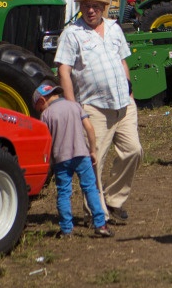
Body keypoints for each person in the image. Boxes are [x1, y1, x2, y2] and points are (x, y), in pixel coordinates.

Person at [55, 0, 142, 225]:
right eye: (86, 6)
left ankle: (114, 199)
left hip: (123, 103)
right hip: (93, 106)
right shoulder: (72, 33)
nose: (90, 10)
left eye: (95, 6)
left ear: (103, 7)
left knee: (133, 151)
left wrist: (129, 90)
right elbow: (64, 71)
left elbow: (122, 61)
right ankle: (96, 212)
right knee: (95, 160)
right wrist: (73, 109)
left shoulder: (114, 28)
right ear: (80, 7)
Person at [33, 82, 113, 239]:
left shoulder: (46, 115)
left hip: (60, 160)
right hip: (81, 154)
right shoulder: (75, 106)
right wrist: (92, 150)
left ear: (42, 101)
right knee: (91, 189)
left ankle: (66, 229)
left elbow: (45, 141)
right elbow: (89, 128)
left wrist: (47, 161)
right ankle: (100, 225)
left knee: (64, 193)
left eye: (39, 108)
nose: (40, 111)